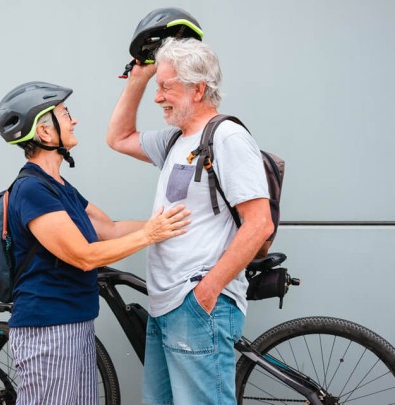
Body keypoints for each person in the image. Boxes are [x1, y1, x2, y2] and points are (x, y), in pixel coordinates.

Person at [0, 81, 190, 405]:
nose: (74, 120)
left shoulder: (59, 187)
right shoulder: (32, 191)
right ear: (44, 133)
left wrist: (173, 226)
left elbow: (109, 229)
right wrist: (150, 235)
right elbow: (83, 256)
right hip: (47, 330)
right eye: (66, 114)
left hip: (76, 324)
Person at [107, 38, 274, 404]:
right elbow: (118, 138)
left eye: (165, 86)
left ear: (198, 89)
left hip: (196, 304)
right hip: (165, 304)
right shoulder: (176, 140)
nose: (158, 97)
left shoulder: (227, 137)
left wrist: (206, 293)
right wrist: (139, 78)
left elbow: (259, 224)